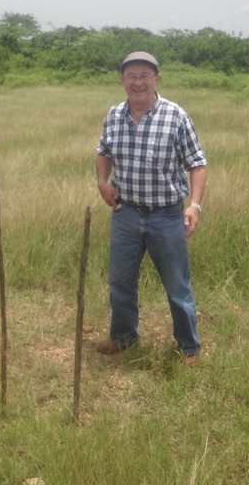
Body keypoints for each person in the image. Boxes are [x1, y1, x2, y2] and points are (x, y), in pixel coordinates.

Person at [95, 51, 207, 365]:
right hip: (126, 214)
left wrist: (194, 205)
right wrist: (102, 181)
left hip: (167, 217)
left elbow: (197, 164)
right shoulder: (114, 115)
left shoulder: (175, 115)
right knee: (120, 282)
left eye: (145, 75)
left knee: (177, 285)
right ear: (122, 80)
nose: (138, 82)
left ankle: (189, 347)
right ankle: (123, 338)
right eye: (131, 76)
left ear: (157, 79)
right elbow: (103, 152)